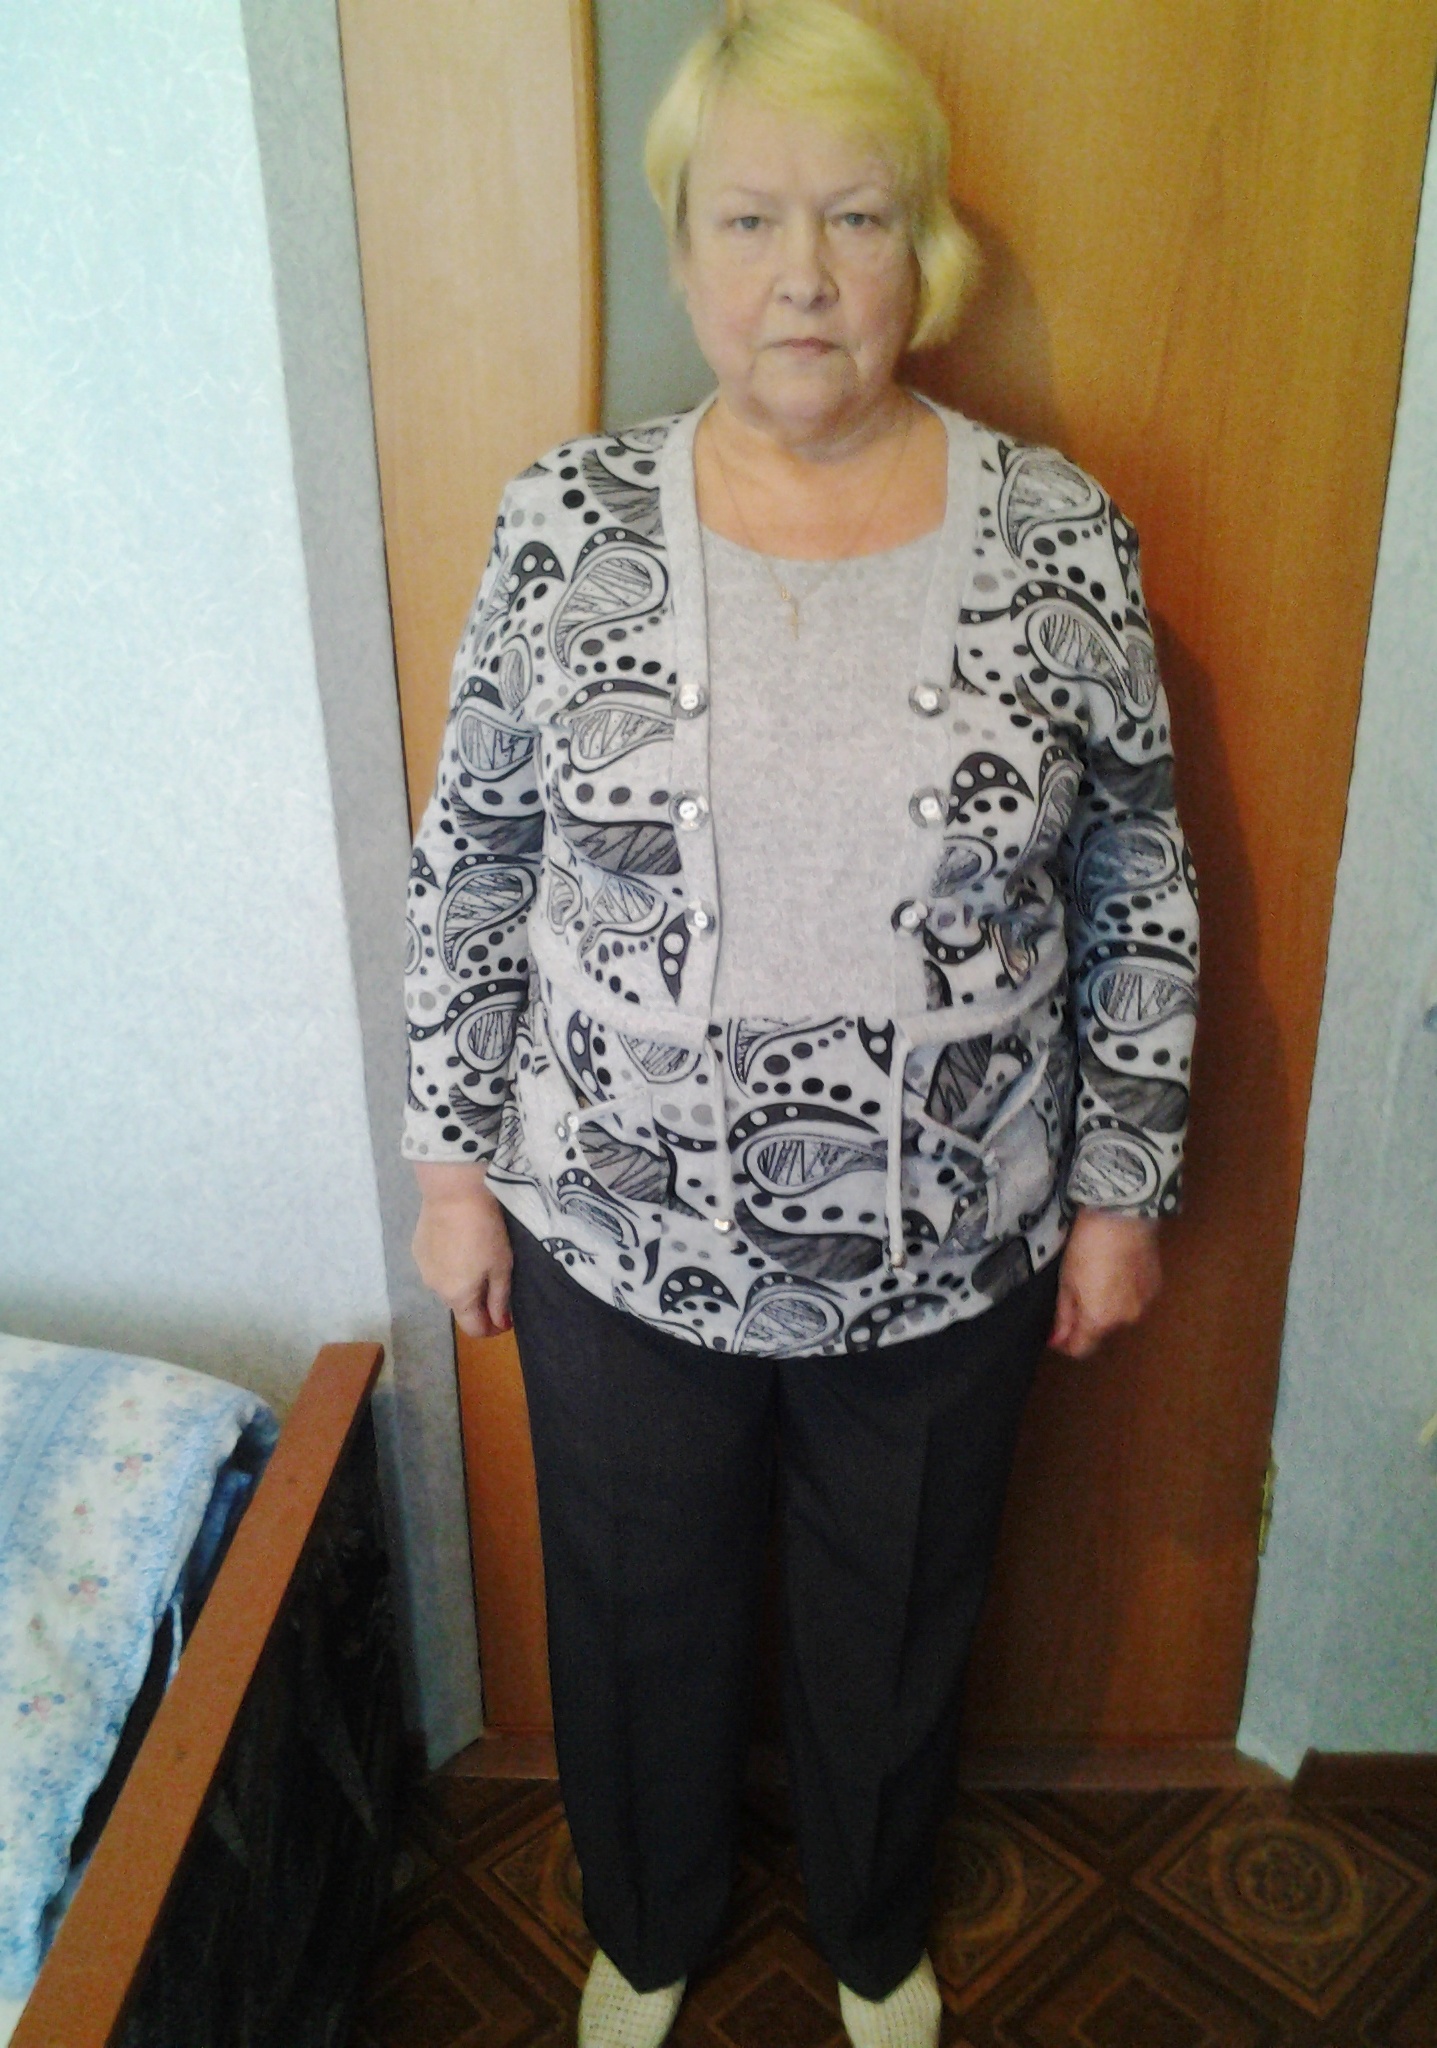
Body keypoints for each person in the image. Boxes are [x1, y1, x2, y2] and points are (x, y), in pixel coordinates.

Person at [405, 3, 1198, 2042]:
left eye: (855, 218)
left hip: (954, 1236)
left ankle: (870, 1927)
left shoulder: (1059, 533)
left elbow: (1134, 874)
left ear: (922, 253)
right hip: (612, 1222)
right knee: (630, 1608)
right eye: (748, 219)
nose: (804, 277)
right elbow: (476, 850)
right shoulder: (562, 524)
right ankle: (646, 1922)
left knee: (898, 1611)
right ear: (683, 251)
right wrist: (456, 1162)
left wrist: (1119, 1189)